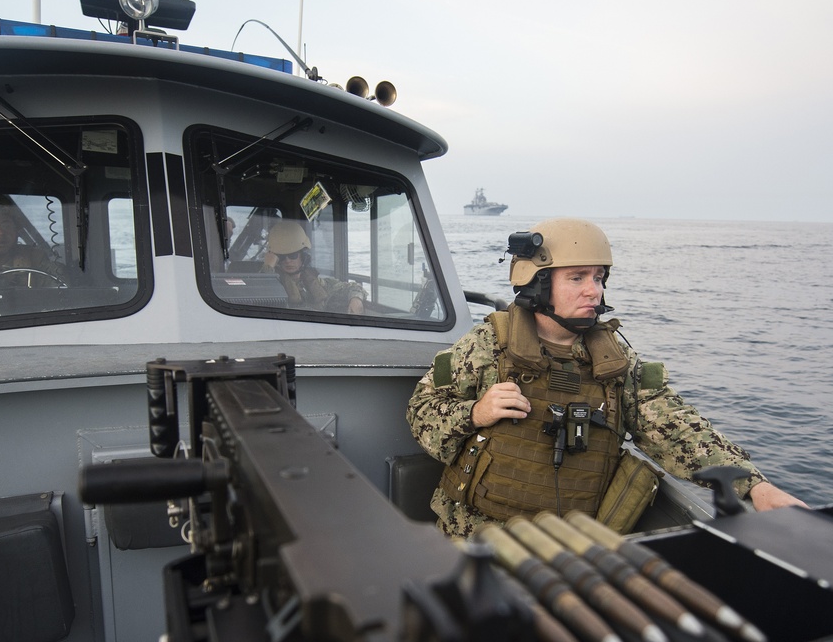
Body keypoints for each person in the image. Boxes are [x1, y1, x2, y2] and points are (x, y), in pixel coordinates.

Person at [407, 217, 806, 538]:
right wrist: (474, 412)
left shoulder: (614, 359)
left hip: (575, 542)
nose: (593, 292)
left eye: (598, 277)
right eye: (577, 278)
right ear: (538, 283)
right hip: (477, 535)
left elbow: (676, 428)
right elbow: (421, 412)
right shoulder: (487, 345)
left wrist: (755, 486)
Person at [260, 220, 367, 314]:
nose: (288, 261)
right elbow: (260, 292)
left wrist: (356, 298)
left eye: (293, 255)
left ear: (302, 256)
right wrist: (268, 267)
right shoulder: (275, 286)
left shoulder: (317, 283)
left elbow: (353, 287)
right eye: (282, 257)